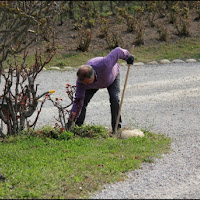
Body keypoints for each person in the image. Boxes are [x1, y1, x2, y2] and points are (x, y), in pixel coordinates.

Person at [66, 47, 134, 133]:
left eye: (87, 82)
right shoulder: (82, 82)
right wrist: (71, 119)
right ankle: (78, 128)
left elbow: (118, 51)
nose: (84, 85)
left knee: (114, 98)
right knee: (82, 102)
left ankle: (116, 128)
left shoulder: (105, 64)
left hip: (111, 77)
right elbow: (78, 101)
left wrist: (127, 57)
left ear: (93, 76)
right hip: (96, 83)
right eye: (84, 83)